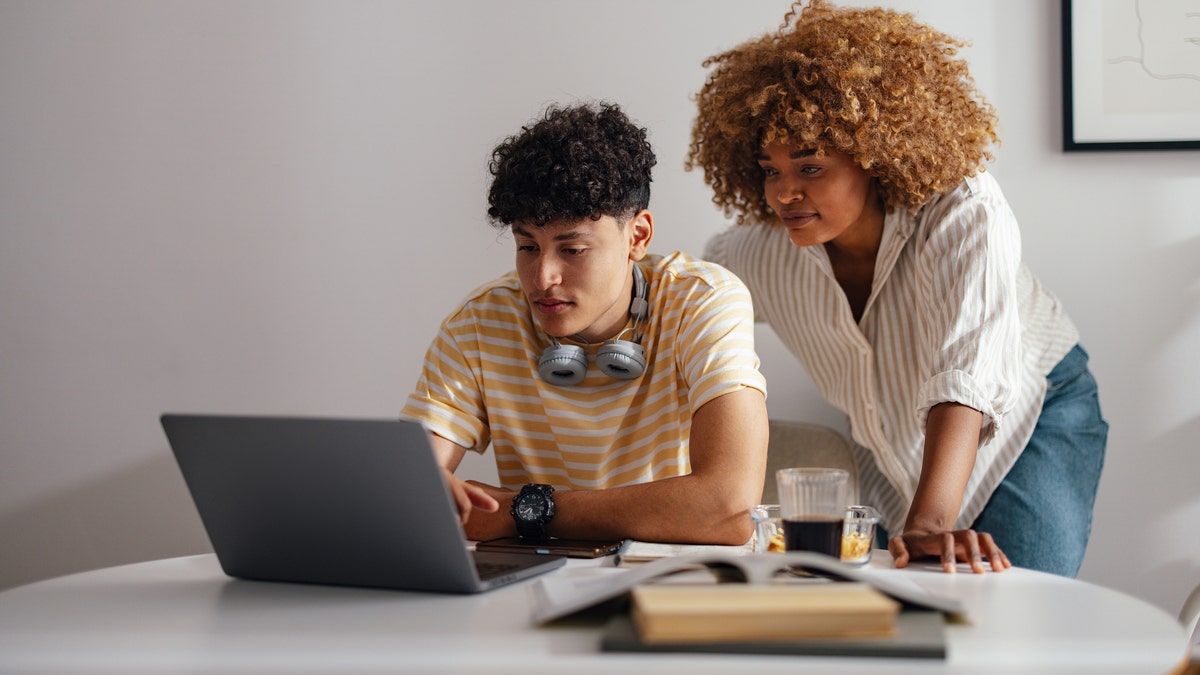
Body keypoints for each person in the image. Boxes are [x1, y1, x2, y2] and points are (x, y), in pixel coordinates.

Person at [687, 0, 1107, 576]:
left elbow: (968, 372)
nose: (784, 193)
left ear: (874, 157)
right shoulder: (752, 254)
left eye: (810, 167)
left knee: (1016, 613)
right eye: (769, 169)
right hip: (892, 448)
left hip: (1032, 417)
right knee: (909, 629)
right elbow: (683, 309)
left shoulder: (963, 212)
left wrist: (931, 524)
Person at [402, 101, 769, 546]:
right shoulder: (480, 323)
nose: (542, 278)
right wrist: (420, 490)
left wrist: (523, 511)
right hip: (534, 582)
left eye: (572, 250)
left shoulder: (702, 300)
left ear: (637, 237)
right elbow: (405, 485)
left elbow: (729, 508)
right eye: (527, 247)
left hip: (668, 578)